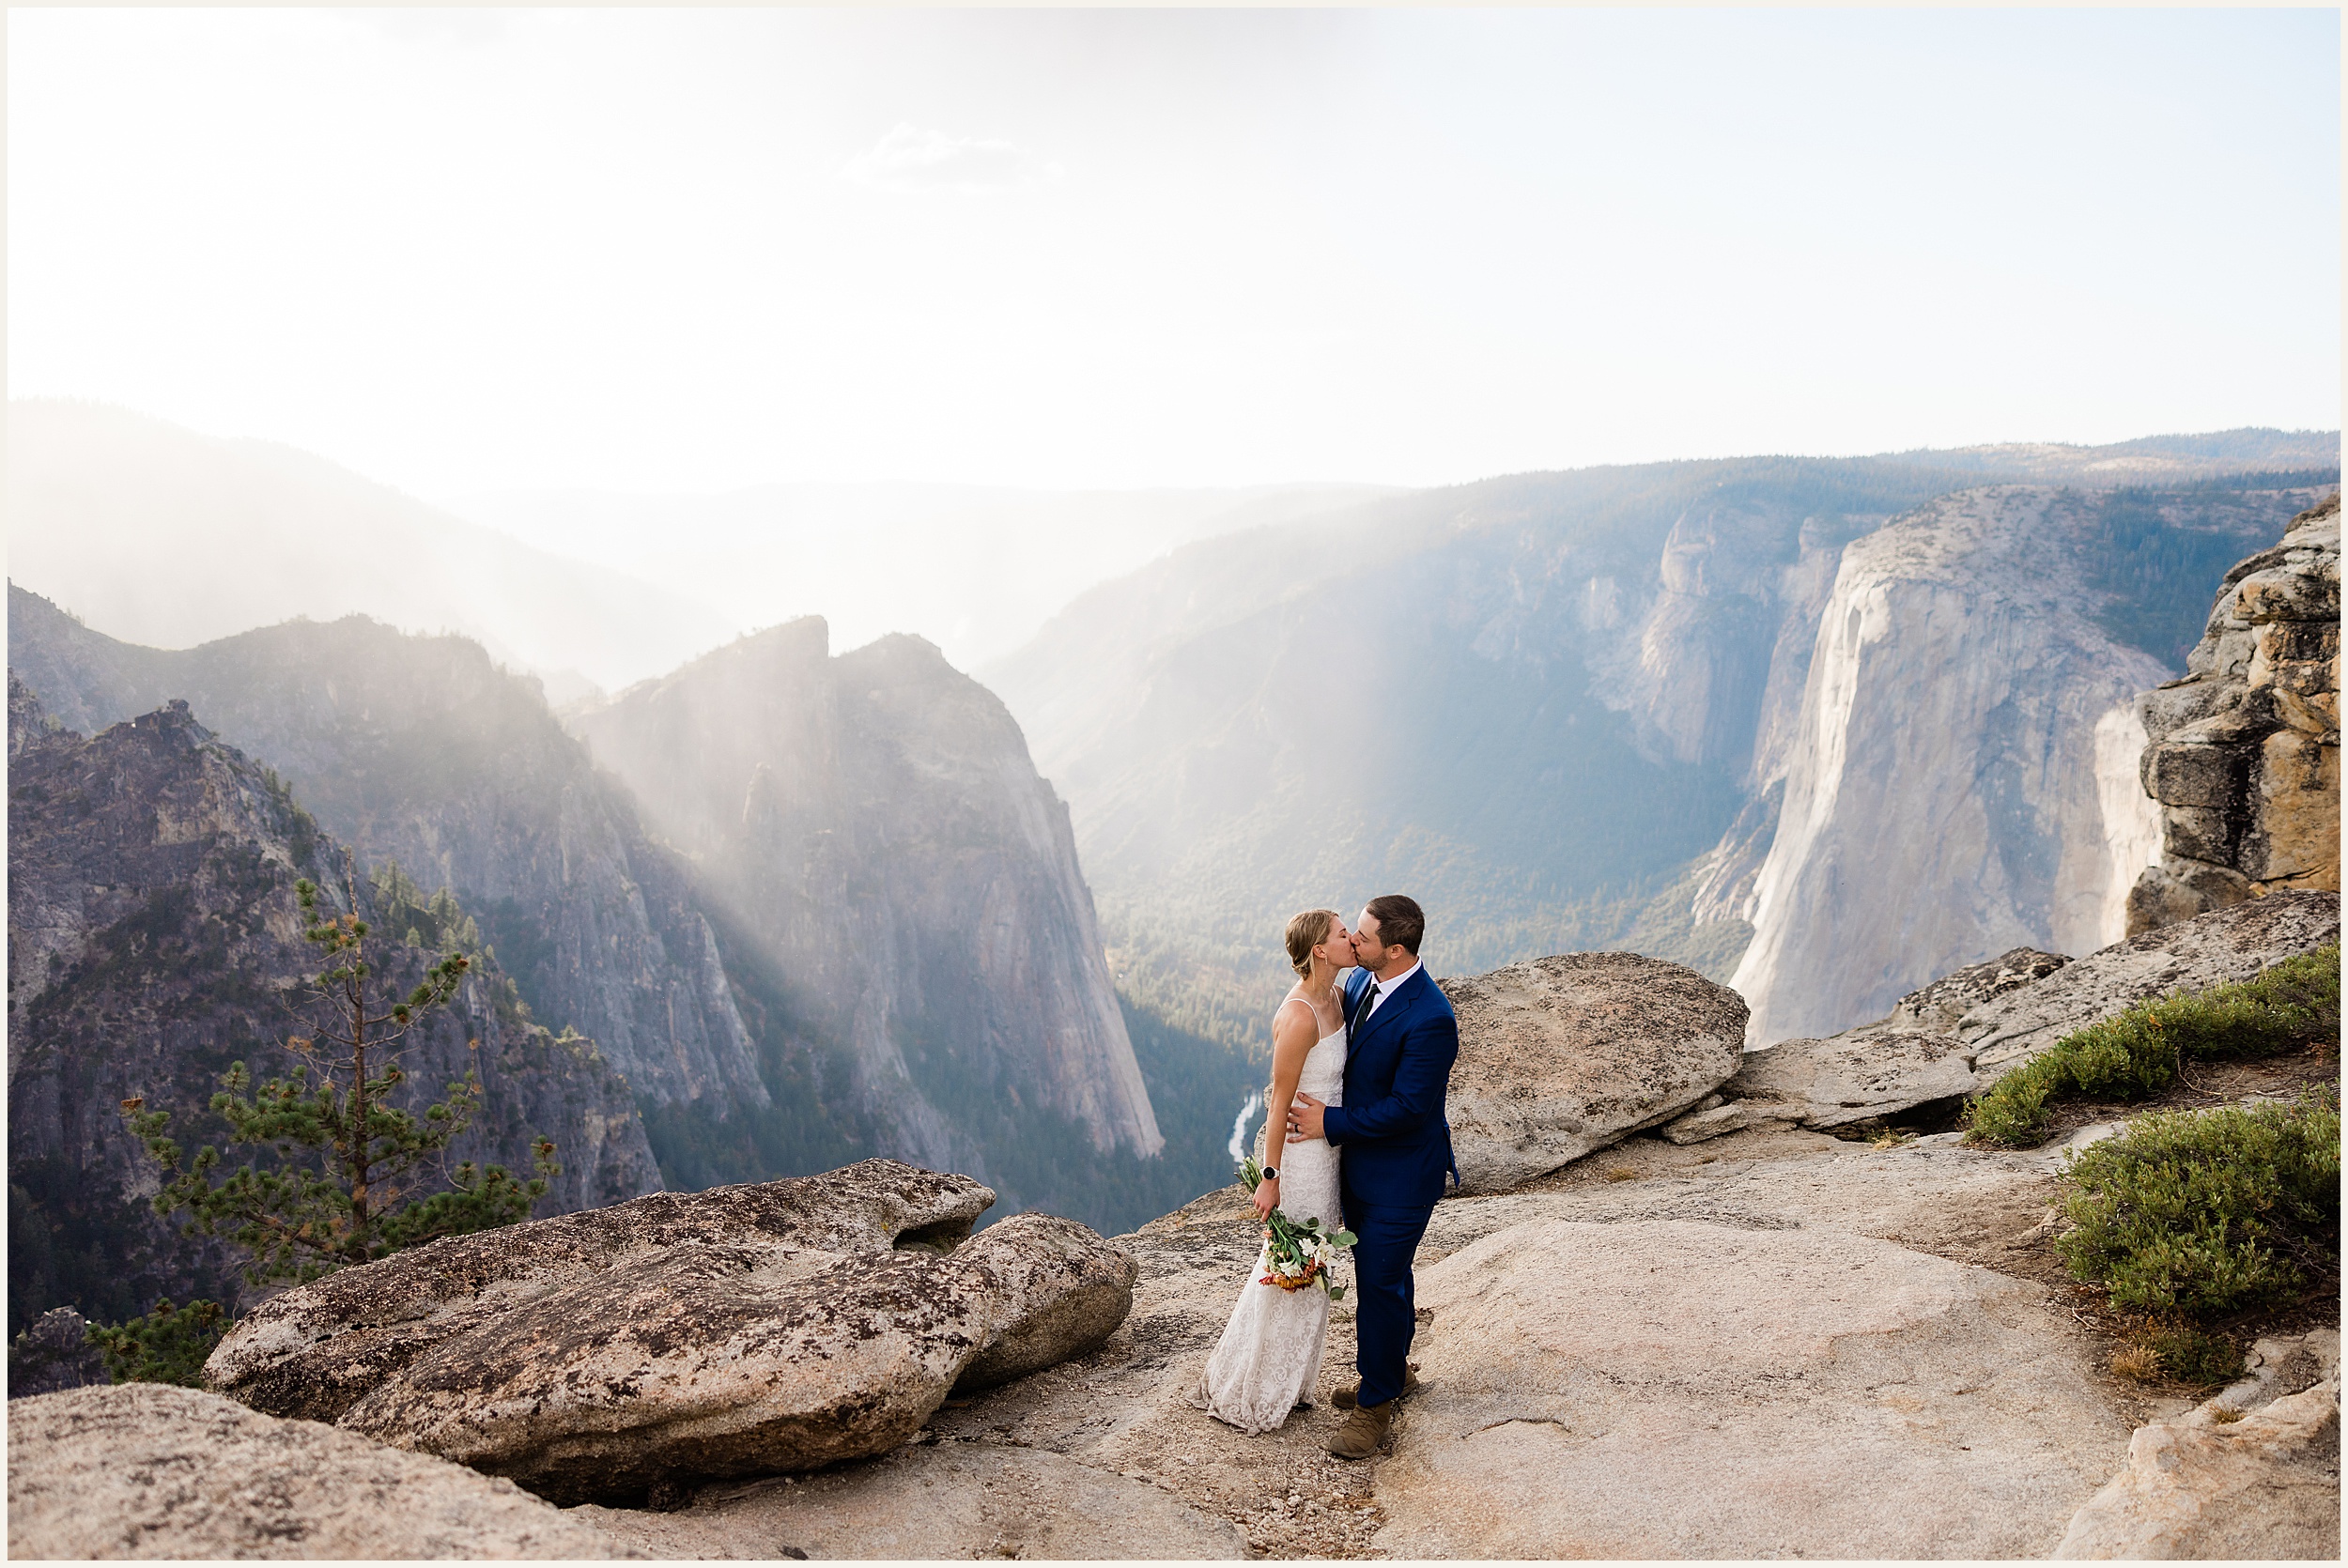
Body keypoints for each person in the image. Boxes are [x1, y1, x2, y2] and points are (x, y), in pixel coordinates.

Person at [1287, 893, 1459, 1460]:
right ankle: (1394, 1371)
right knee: (1388, 1276)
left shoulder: (1431, 1017)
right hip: (1356, 1164)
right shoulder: (1360, 983)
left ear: (1397, 950)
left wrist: (1327, 1122)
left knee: (1380, 1282)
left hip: (1403, 1175)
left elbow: (1410, 1107)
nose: (1352, 943)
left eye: (1362, 937)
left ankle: (1375, 1403)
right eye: (1352, 933)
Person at [1189, 908, 1357, 1433]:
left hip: (1330, 1153)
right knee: (1290, 1266)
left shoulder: (1337, 997)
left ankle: (1291, 1381)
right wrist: (1270, 1177)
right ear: (1320, 950)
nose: (1352, 937)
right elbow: (1279, 1101)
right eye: (1341, 933)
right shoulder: (1302, 1014)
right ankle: (1253, 1385)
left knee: (1316, 1264)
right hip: (1303, 1160)